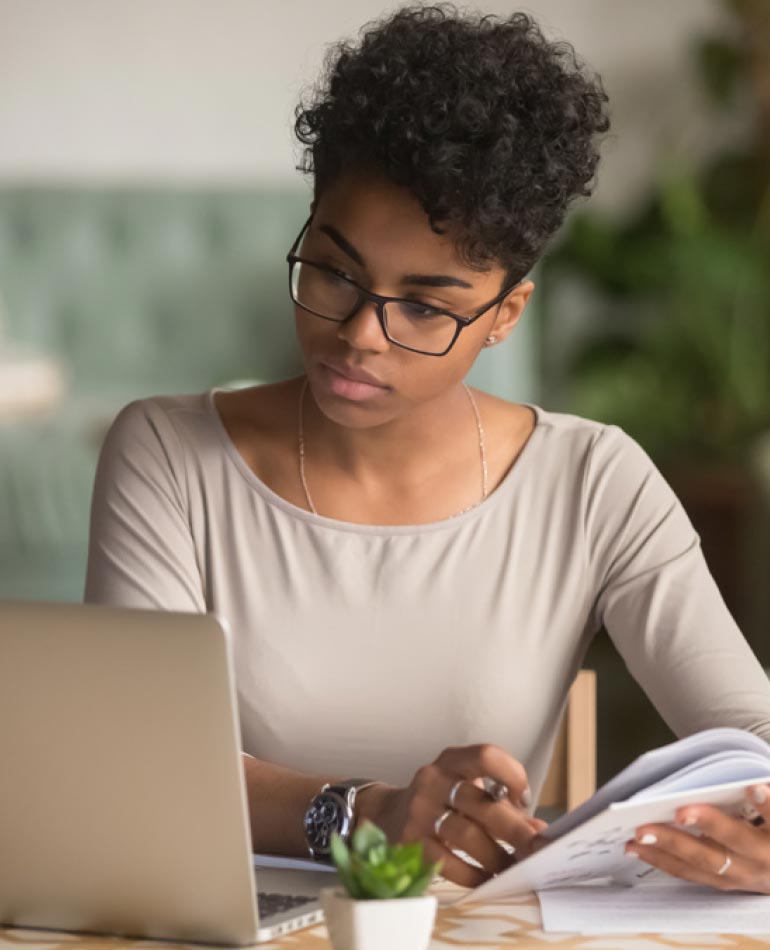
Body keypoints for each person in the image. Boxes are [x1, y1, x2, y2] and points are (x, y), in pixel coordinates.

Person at [85, 3, 770, 893]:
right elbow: (136, 763)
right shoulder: (168, 457)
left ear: (503, 316)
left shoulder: (593, 482)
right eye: (334, 271)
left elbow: (749, 736)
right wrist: (370, 816)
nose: (360, 334)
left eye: (426, 305)